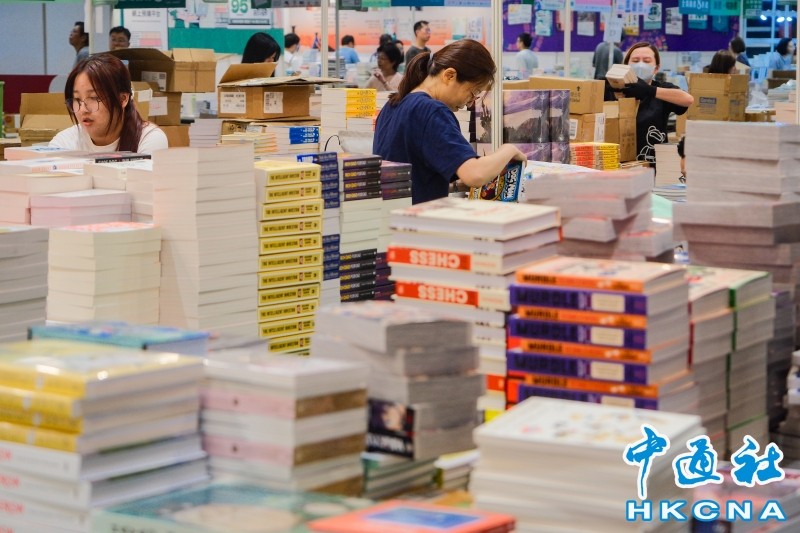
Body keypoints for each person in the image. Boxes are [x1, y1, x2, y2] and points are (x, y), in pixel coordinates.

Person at [374, 40, 526, 205]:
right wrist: (508, 149)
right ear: (449, 75)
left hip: (392, 217)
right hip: (420, 218)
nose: (469, 103)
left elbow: (416, 179)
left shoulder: (391, 106)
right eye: (472, 93)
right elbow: (475, 174)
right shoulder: (432, 111)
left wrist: (455, 186)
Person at [50, 54, 168, 154]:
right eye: (76, 99)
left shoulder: (149, 139)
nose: (82, 110)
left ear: (122, 99)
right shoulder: (64, 143)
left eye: (94, 98)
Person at [619, 42, 693, 164]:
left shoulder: (662, 89)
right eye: (635, 60)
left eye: (647, 61)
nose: (640, 65)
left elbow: (688, 100)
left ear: (656, 68)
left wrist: (649, 90)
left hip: (655, 165)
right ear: (626, 65)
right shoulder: (616, 90)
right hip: (619, 163)